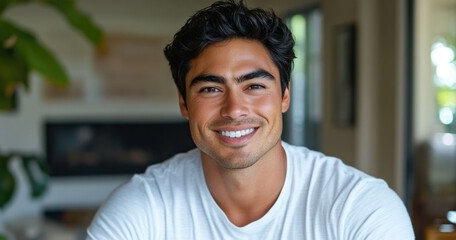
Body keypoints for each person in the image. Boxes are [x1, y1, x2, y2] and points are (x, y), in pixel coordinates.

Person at [86, 1, 415, 239]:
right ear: (184, 104)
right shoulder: (139, 211)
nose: (234, 109)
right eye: (211, 89)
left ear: (285, 95)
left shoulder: (360, 209)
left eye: (254, 86)